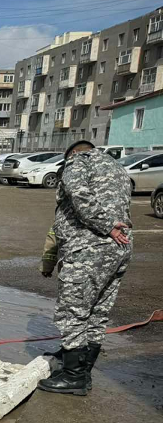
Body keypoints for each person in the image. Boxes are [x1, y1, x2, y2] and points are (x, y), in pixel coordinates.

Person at [37, 140, 132, 396]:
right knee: (97, 312)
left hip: (89, 248)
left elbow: (79, 195)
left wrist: (105, 225)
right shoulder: (117, 168)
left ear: (72, 154)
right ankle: (82, 369)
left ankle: (73, 376)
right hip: (119, 249)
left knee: (73, 311)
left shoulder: (78, 161)